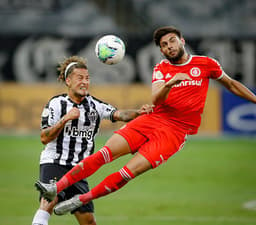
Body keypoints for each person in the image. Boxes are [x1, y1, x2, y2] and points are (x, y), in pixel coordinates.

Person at [35, 26, 256, 216]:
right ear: (161, 50)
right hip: (152, 120)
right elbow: (156, 97)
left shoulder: (207, 64)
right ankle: (55, 187)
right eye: (164, 44)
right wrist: (171, 83)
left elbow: (232, 84)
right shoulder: (162, 68)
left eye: (172, 41)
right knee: (103, 155)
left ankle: (81, 200)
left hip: (175, 133)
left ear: (182, 41)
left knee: (126, 174)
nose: (169, 46)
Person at [31, 55, 153, 225]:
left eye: (87, 78)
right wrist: (65, 119)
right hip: (55, 162)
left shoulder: (95, 105)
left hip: (80, 169)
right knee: (48, 202)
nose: (84, 82)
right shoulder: (56, 104)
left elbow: (120, 114)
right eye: (79, 78)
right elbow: (45, 137)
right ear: (68, 81)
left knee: (88, 221)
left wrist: (138, 113)